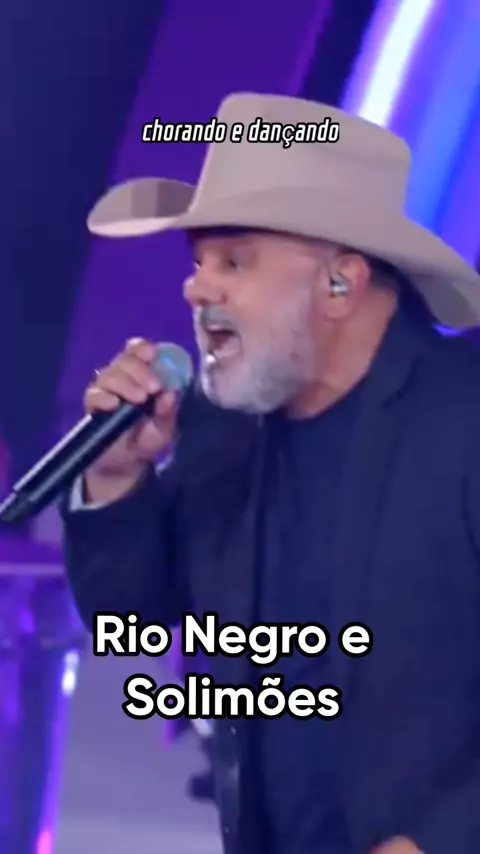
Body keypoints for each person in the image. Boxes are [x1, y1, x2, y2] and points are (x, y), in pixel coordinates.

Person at [61, 93, 480, 854]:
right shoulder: (224, 425)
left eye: (235, 260)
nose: (197, 288)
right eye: (198, 262)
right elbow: (136, 623)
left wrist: (440, 841)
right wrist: (118, 478)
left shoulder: (463, 416)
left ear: (340, 284)